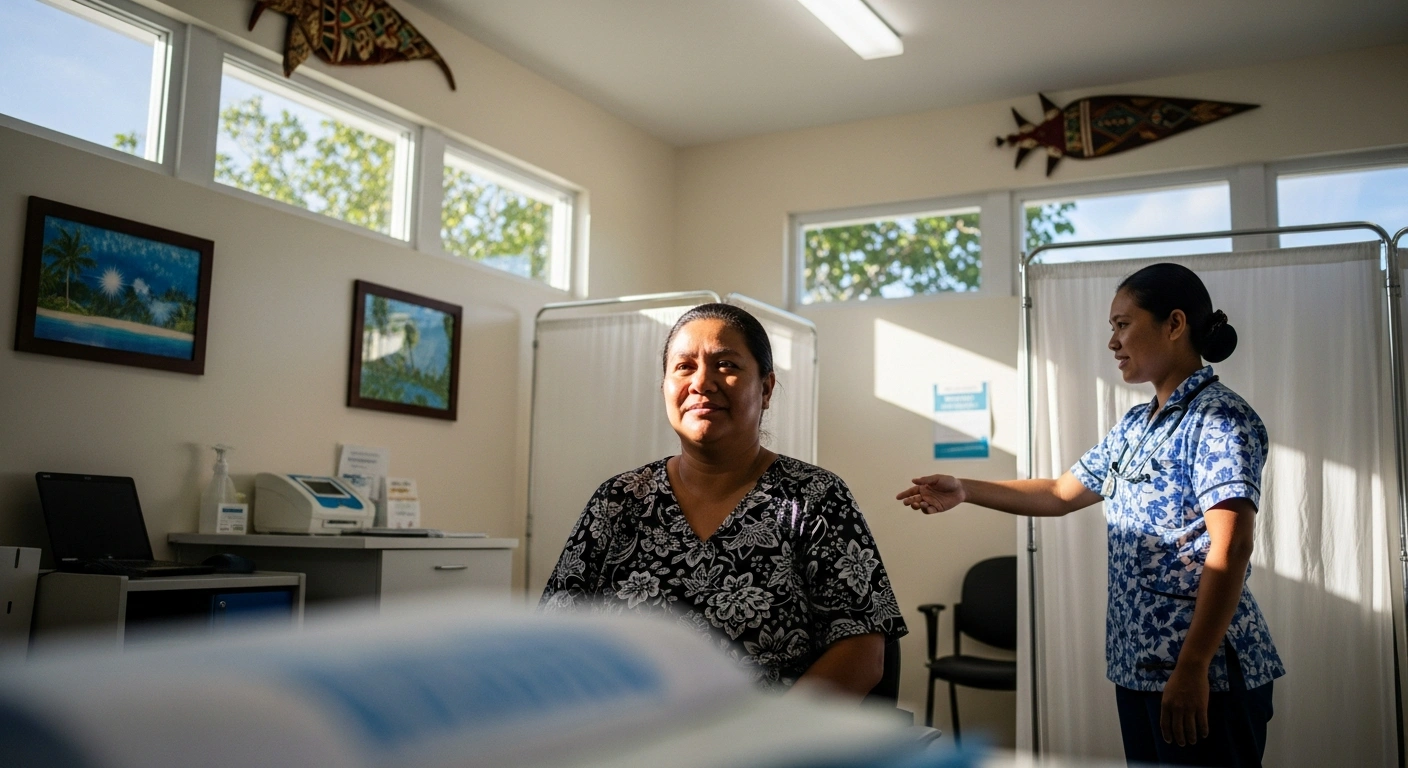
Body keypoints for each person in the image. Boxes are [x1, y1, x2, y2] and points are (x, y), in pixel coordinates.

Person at [898, 264, 1282, 767]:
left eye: (1123, 324)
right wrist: (965, 489)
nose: (1113, 342)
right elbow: (1060, 492)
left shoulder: (1220, 419)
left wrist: (1193, 666)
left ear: (1174, 324)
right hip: (1141, 669)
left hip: (1203, 675)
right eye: (1111, 328)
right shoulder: (1135, 426)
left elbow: (1231, 548)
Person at [541, 303, 906, 698]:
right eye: (684, 367)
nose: (702, 382)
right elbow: (555, 633)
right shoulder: (619, 501)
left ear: (766, 388)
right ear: (665, 386)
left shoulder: (814, 499)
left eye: (726, 365)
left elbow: (861, 653)